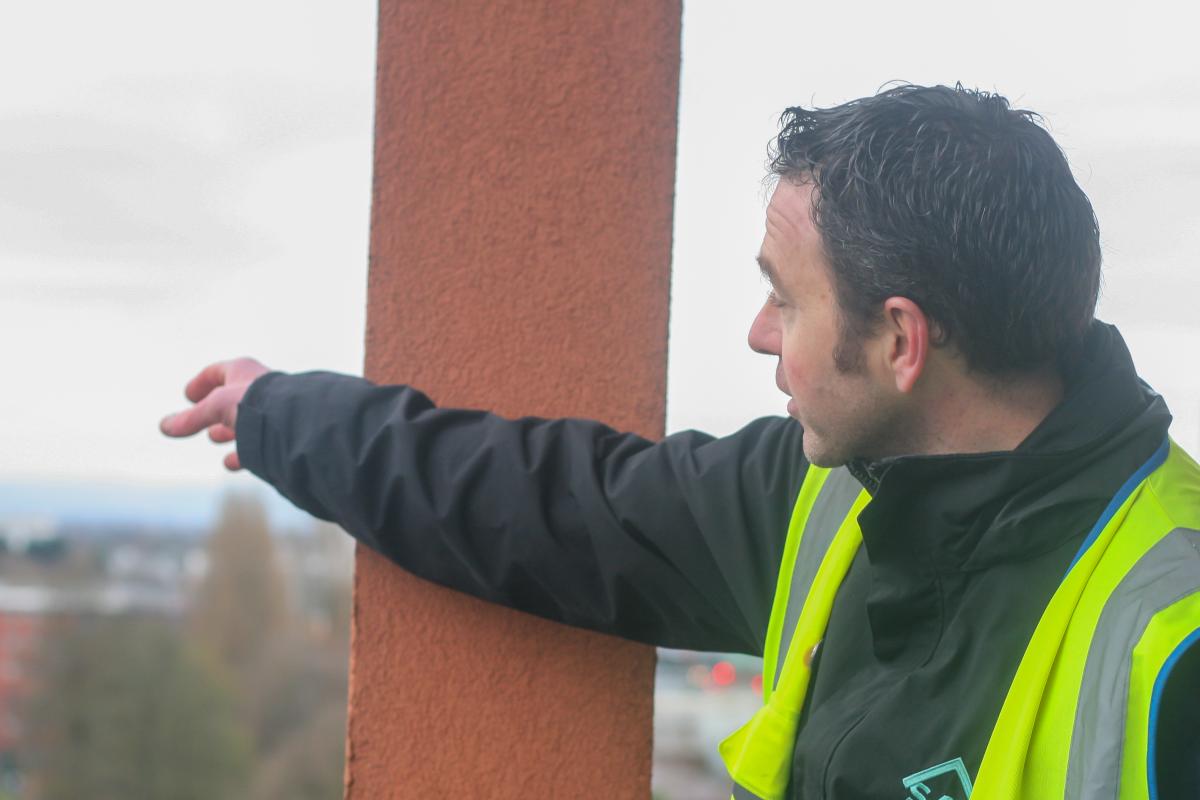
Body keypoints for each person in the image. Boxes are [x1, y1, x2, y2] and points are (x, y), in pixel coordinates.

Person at [160, 84, 1199, 799]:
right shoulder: (832, 496)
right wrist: (280, 415)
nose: (758, 335)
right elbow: (549, 502)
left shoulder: (1171, 634)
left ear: (900, 339)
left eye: (784, 302)